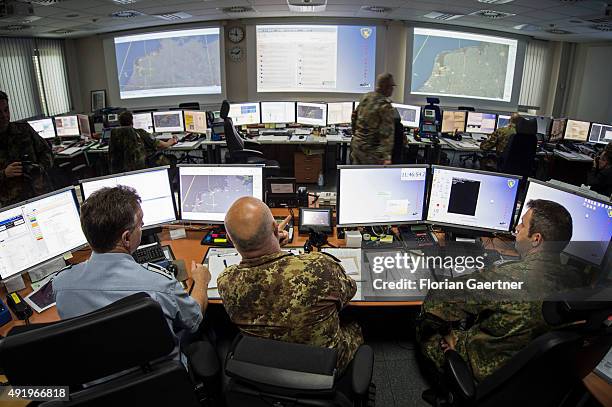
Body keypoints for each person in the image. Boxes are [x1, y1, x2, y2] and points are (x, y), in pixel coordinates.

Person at [417, 199, 585, 387]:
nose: (517, 229)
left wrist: (448, 334)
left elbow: (438, 298)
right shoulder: (578, 279)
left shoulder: (507, 277)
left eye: (522, 224)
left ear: (536, 239)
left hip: (486, 369)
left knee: (429, 321)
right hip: (533, 375)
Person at [52, 186, 210, 359]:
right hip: (160, 379)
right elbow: (194, 319)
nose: (142, 227)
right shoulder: (160, 284)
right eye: (140, 224)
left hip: (99, 381)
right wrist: (201, 281)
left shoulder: (61, 285)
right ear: (126, 238)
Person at [217, 197, 363, 370]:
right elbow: (350, 290)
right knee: (356, 325)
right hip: (323, 365)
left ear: (229, 238)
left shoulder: (226, 282)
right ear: (274, 228)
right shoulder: (319, 266)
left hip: (265, 364)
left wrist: (272, 244)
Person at [0, 90, 54, 207]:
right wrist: (4, 173)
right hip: (11, 203)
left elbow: (47, 152)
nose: (4, 116)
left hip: (40, 193)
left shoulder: (24, 130)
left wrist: (40, 167)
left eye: (6, 110)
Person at [109, 111, 177, 174]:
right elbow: (162, 145)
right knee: (172, 158)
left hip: (120, 169)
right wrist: (170, 142)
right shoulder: (140, 132)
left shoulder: (114, 134)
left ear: (119, 122)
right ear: (132, 121)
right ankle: (171, 183)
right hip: (141, 166)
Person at [350, 73, 396, 165]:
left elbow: (354, 116)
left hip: (357, 146)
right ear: (385, 87)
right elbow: (386, 135)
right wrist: (386, 157)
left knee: (357, 175)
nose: (392, 89)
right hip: (371, 152)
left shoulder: (366, 97)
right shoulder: (385, 106)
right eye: (391, 86)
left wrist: (356, 135)